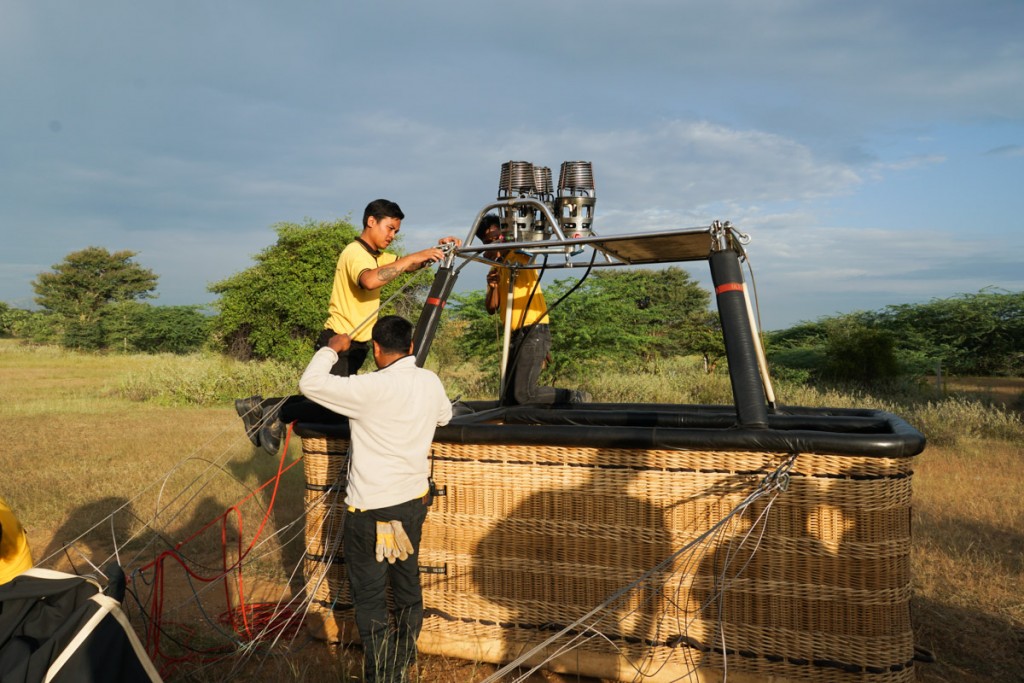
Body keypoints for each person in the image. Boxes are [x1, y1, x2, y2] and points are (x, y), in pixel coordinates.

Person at [297, 315, 452, 683]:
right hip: (412, 505)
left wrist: (330, 350)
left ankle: (383, 674)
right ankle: (403, 658)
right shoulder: (430, 381)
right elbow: (444, 417)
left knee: (370, 598)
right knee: (407, 586)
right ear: (411, 347)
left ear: (377, 349)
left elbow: (309, 384)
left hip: (369, 513)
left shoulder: (367, 388)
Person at [236, 199, 459, 454]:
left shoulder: (379, 257)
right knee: (334, 406)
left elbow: (410, 264)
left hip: (358, 346)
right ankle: (276, 412)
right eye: (389, 228)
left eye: (396, 231)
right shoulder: (355, 252)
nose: (392, 236)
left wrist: (438, 250)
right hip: (339, 341)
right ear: (371, 221)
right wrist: (410, 258)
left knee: (333, 402)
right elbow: (370, 280)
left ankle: (258, 406)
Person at [476, 214, 589, 405]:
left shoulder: (518, 255)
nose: (494, 242)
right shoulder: (496, 267)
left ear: (505, 233)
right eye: (489, 241)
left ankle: (573, 397)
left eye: (497, 237)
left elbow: (534, 243)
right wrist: (493, 287)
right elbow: (492, 308)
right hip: (513, 334)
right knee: (509, 397)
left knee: (523, 394)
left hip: (533, 329)